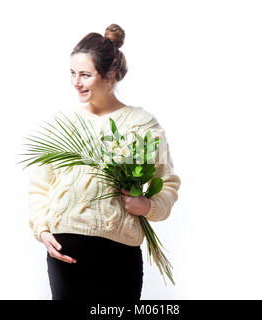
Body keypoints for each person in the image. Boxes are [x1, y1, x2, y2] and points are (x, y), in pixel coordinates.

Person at [27, 24, 181, 301]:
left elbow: (167, 183)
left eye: (85, 75)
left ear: (110, 75)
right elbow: (40, 185)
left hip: (118, 257)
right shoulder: (63, 123)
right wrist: (42, 230)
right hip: (65, 253)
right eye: (72, 74)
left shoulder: (142, 124)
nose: (76, 82)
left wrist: (148, 205)